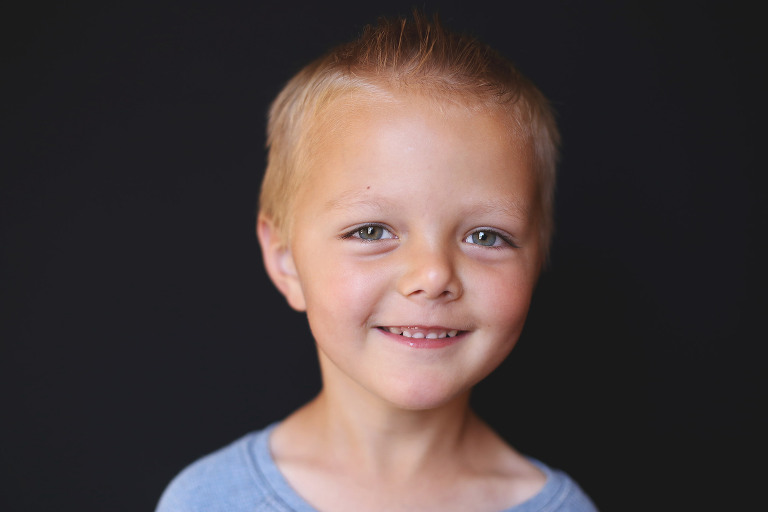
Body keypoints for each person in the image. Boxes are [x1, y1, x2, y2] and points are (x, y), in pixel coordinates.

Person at [156, 12, 598, 512]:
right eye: (371, 231)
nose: (433, 275)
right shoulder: (207, 500)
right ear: (286, 261)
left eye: (485, 236)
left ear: (538, 260)